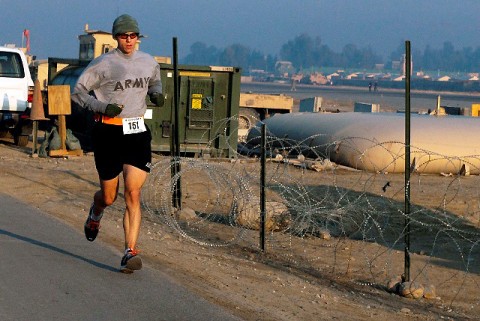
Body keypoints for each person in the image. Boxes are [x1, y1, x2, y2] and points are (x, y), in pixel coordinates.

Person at [71, 14, 164, 273]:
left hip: (137, 131)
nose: (129, 40)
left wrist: (156, 94)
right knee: (110, 197)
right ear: (116, 38)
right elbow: (78, 92)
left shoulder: (148, 61)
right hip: (109, 133)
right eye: (124, 36)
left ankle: (129, 251)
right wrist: (102, 106)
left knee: (133, 193)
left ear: (138, 37)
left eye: (133, 36)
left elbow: (155, 82)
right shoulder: (103, 63)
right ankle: (96, 213)